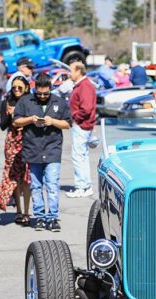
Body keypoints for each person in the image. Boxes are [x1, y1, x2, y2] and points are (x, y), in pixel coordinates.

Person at [13, 73, 71, 232]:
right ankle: (39, 217)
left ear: (51, 90)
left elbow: (67, 123)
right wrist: (30, 119)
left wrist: (53, 122)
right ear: (34, 90)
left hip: (52, 150)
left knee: (52, 185)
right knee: (36, 187)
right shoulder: (26, 101)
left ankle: (52, 217)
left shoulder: (59, 102)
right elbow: (16, 121)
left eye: (46, 93)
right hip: (33, 150)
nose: (43, 96)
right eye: (39, 94)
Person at [0, 76, 31, 224]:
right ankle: (19, 211)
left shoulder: (30, 102)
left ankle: (27, 212)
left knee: (27, 178)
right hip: (12, 142)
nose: (16, 90)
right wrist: (10, 116)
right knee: (14, 177)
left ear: (26, 88)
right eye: (14, 87)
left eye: (20, 88)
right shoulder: (6, 102)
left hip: (28, 141)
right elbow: (2, 126)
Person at [66, 61, 97, 198]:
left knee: (78, 156)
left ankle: (81, 186)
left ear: (79, 71)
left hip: (82, 125)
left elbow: (87, 108)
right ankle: (85, 185)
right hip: (82, 124)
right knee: (82, 156)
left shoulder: (85, 86)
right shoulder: (82, 85)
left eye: (71, 70)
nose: (69, 73)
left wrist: (75, 117)